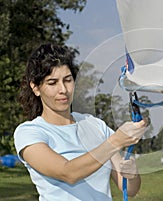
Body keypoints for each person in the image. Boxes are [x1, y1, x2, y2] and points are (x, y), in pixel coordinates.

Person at [14, 43, 147, 201]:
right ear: (35, 88)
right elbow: (68, 173)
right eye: (52, 83)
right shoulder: (29, 132)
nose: (63, 89)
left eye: (68, 80)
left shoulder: (95, 125)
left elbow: (130, 190)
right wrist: (116, 141)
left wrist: (132, 175)